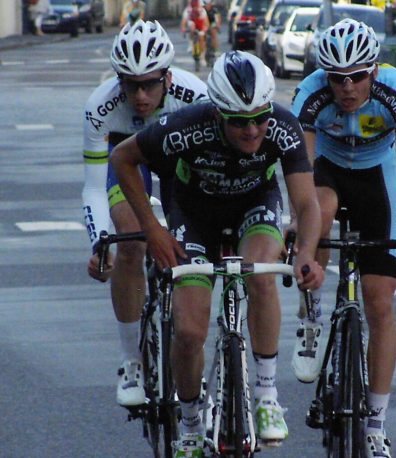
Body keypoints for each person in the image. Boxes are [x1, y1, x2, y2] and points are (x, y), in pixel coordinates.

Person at [110, 51, 325, 457]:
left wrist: (307, 255)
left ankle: (265, 395)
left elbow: (307, 204)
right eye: (240, 122)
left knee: (260, 275)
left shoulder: (282, 126)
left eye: (260, 118)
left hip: (253, 206)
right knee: (189, 331)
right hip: (193, 214)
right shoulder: (183, 127)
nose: (252, 130)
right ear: (217, 114)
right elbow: (122, 158)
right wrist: (153, 230)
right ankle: (190, 424)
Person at [291, 19, 396, 458]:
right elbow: (300, 171)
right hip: (329, 172)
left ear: (374, 71)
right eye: (337, 78)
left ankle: (375, 423)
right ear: (325, 76)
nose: (347, 87)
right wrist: (299, 232)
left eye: (356, 76)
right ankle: (312, 309)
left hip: (378, 175)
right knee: (323, 206)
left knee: (378, 303)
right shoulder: (311, 94)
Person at [82, 19, 208, 408]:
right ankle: (131, 362)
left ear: (167, 78)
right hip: (127, 160)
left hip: (176, 159)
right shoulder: (100, 107)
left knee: (192, 238)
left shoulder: (196, 95)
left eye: (150, 84)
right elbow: (92, 186)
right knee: (132, 241)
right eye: (130, 84)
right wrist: (100, 241)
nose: (139, 95)